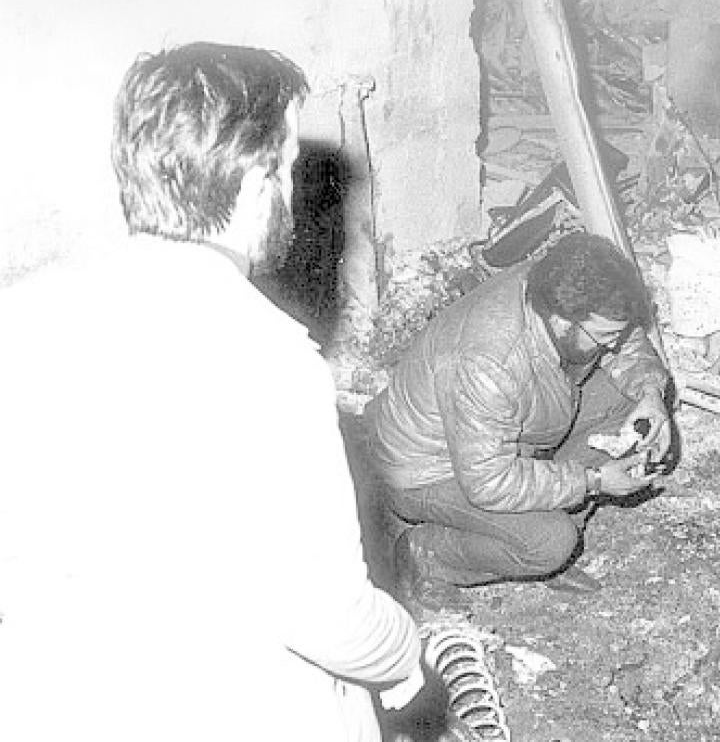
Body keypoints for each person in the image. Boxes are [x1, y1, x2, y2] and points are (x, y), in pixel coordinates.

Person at [0, 43, 429, 741]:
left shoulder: (21, 314)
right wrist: (404, 652)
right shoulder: (268, 359)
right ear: (260, 178)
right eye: (288, 165)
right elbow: (327, 616)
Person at [364, 231, 673, 609]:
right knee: (548, 542)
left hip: (504, 433)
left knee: (626, 405)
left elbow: (623, 337)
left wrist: (650, 394)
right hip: (428, 471)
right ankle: (425, 553)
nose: (613, 345)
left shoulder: (555, 286)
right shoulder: (487, 364)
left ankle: (550, 531)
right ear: (563, 322)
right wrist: (593, 481)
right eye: (605, 336)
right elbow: (488, 481)